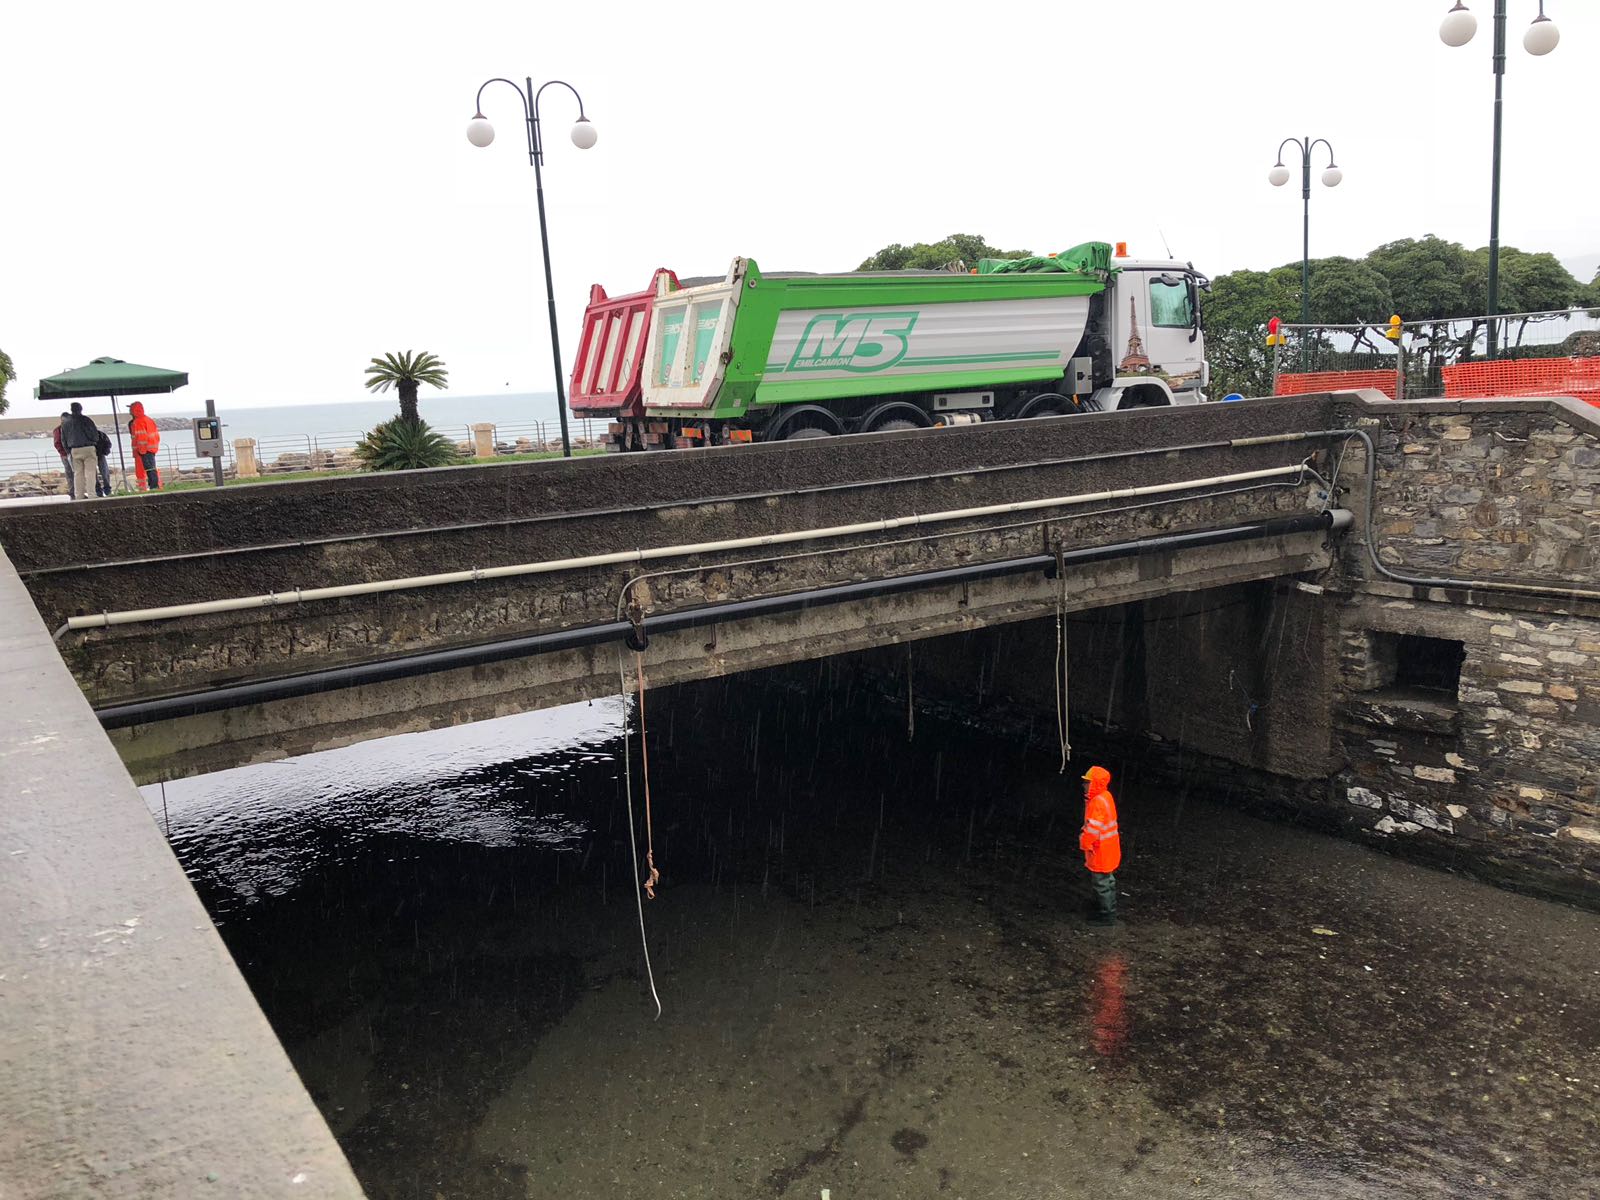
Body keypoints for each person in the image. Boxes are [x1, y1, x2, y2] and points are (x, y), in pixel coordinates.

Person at [1079, 765, 1121, 926]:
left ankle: (1106, 914)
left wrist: (1084, 843)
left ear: (1094, 783)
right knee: (1108, 881)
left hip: (1100, 850)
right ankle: (1108, 908)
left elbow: (1092, 829)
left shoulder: (1096, 802)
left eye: (1087, 782)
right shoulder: (1106, 796)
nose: (1084, 784)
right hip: (1109, 848)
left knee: (1101, 883)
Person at [60, 402, 100, 501]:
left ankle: (79, 496)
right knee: (90, 472)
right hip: (88, 447)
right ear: (81, 409)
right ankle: (91, 494)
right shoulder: (87, 420)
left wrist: (68, 451)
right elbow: (94, 435)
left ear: (71, 409)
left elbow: (63, 439)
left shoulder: (65, 423)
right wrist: (94, 442)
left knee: (78, 473)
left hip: (74, 449)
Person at [128, 400, 161, 490]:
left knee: (149, 469)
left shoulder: (138, 421)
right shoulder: (148, 420)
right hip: (151, 448)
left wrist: (141, 450)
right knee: (151, 468)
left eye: (131, 409)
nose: (129, 411)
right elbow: (156, 436)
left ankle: (154, 486)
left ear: (134, 410)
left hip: (144, 450)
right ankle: (154, 486)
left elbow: (141, 437)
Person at [52, 413, 74, 499]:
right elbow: (57, 443)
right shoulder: (58, 430)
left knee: (75, 473)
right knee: (69, 473)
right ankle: (72, 492)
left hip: (73, 453)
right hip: (65, 455)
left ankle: (76, 492)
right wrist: (64, 453)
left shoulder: (70, 428)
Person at [93, 428, 114, 497]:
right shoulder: (100, 433)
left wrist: (105, 451)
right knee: (104, 472)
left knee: (101, 473)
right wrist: (105, 451)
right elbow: (108, 443)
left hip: (97, 454)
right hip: (98, 454)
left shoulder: (100, 434)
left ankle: (101, 490)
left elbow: (108, 443)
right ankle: (106, 490)